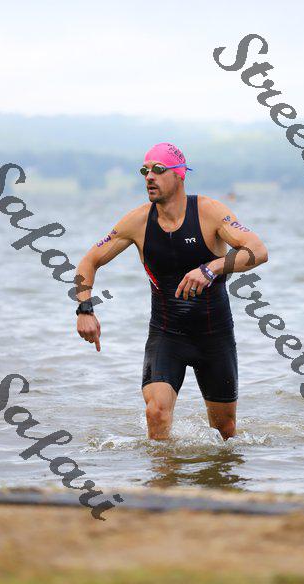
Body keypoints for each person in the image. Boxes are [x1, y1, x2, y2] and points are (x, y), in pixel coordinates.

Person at [75, 142, 268, 441]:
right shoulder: (137, 221)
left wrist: (211, 268)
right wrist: (84, 309)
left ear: (180, 174)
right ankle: (162, 470)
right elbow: (89, 261)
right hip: (166, 335)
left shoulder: (209, 212)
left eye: (158, 170)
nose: (149, 177)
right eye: (145, 171)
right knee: (156, 412)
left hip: (214, 336)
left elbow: (257, 251)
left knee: (225, 431)